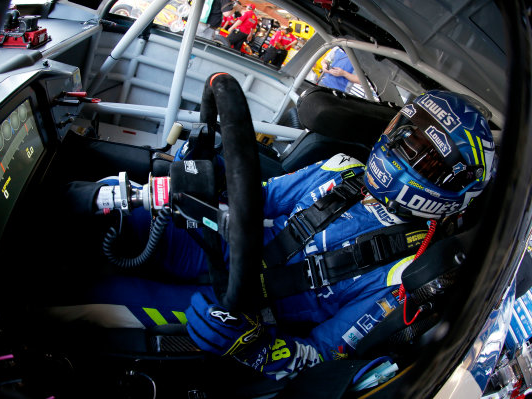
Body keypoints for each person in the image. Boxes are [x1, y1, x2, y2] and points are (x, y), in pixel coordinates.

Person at [61, 90, 495, 381]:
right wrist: (196, 186)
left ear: (456, 187)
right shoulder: (342, 168)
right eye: (403, 131)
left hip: (236, 311)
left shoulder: (405, 279)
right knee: (93, 201)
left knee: (87, 296)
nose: (400, 148)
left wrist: (254, 348)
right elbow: (257, 199)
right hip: (209, 243)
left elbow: (323, 355)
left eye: (422, 155)